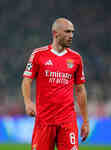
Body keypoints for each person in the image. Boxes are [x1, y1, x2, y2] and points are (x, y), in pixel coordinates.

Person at [21, 18, 89, 150]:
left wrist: (85, 120)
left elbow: (80, 90)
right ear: (55, 33)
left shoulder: (76, 58)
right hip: (44, 121)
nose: (71, 36)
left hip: (67, 121)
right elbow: (26, 81)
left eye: (72, 32)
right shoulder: (38, 54)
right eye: (67, 32)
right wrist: (28, 102)